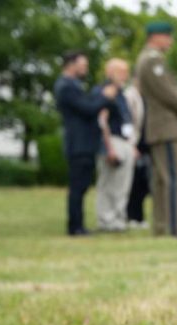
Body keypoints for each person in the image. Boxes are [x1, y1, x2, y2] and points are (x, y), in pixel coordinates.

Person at [137, 21, 177, 237]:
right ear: (156, 37)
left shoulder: (148, 60)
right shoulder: (153, 61)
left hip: (162, 128)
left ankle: (162, 226)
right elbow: (170, 95)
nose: (170, 41)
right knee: (174, 178)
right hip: (168, 127)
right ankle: (174, 226)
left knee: (163, 179)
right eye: (167, 36)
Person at [54, 51, 117, 237]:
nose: (85, 69)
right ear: (71, 64)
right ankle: (75, 226)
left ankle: (78, 224)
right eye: (82, 65)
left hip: (84, 143)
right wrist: (106, 97)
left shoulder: (74, 85)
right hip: (78, 144)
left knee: (81, 186)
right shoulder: (66, 86)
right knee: (77, 187)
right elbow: (88, 109)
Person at [93, 58, 135, 232]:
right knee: (108, 183)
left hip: (124, 142)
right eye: (122, 71)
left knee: (122, 184)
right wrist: (108, 147)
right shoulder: (103, 92)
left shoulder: (121, 93)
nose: (125, 75)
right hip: (111, 140)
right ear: (110, 72)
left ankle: (119, 218)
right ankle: (106, 220)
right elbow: (102, 121)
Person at [123, 77, 149, 230]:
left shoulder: (143, 97)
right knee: (134, 183)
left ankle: (139, 216)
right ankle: (132, 215)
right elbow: (129, 122)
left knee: (142, 183)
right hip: (134, 144)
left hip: (144, 146)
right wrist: (131, 145)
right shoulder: (130, 96)